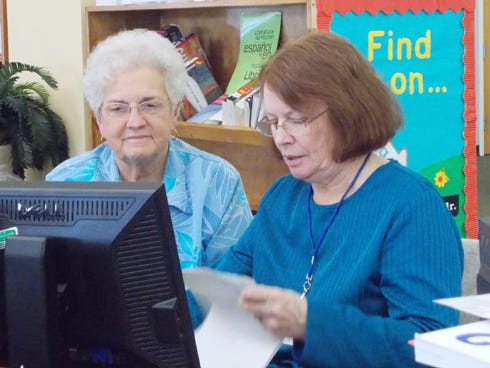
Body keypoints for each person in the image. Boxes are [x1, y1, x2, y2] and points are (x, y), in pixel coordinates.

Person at [215, 31, 463, 367]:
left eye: (297, 120)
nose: (281, 138)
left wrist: (310, 324)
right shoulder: (282, 197)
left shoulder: (412, 206)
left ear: (348, 112)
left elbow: (429, 348)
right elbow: (221, 291)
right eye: (273, 122)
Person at [46, 29, 252, 269]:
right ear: (99, 120)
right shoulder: (65, 183)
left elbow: (234, 290)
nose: (135, 121)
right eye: (118, 108)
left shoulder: (218, 183)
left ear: (174, 112)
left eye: (150, 105)